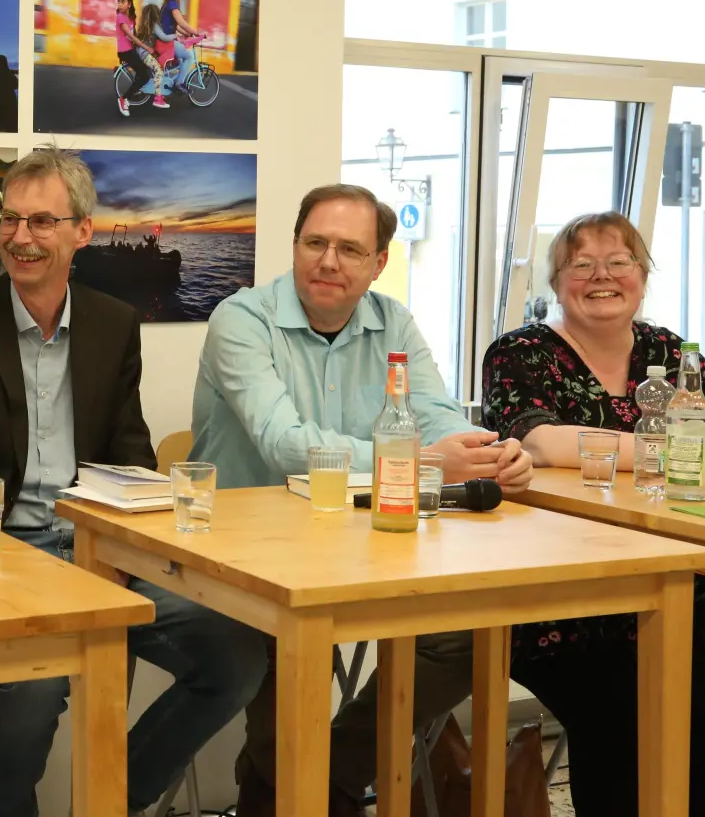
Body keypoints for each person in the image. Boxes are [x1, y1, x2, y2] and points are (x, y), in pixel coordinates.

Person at [0, 145, 265, 817]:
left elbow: (129, 451)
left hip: (101, 550)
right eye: (12, 221)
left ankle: (111, 796)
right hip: (8, 557)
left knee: (236, 653)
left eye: (42, 222)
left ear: (83, 231)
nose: (21, 238)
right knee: (30, 689)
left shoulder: (113, 323)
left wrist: (127, 543)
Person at [189, 183, 535, 817]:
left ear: (378, 263)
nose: (329, 261)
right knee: (285, 667)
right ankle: (294, 784)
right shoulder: (241, 318)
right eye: (315, 243)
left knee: (469, 635)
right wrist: (422, 459)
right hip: (247, 558)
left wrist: (490, 450)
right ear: (293, 247)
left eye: (350, 249)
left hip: (362, 546)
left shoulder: (393, 320)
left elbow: (432, 414)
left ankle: (330, 776)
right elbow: (284, 443)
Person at [481, 210, 705, 815]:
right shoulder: (521, 351)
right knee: (621, 736)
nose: (601, 276)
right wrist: (687, 449)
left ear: (642, 276)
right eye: (581, 265)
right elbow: (542, 442)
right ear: (556, 283)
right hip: (562, 605)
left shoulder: (669, 350)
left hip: (671, 597)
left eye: (619, 262)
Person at [114, 0, 165, 116]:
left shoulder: (131, 18)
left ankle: (135, 89)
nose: (120, 4)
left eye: (123, 2)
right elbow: (131, 36)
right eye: (119, 1)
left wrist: (141, 47)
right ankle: (123, 99)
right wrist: (147, 48)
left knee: (144, 70)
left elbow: (136, 35)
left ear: (129, 4)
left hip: (131, 50)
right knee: (145, 76)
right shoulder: (120, 18)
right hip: (125, 52)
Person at [159, 0, 201, 85]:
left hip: (164, 39)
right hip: (167, 41)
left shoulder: (167, 3)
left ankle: (168, 81)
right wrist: (196, 32)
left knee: (181, 60)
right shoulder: (172, 3)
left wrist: (188, 33)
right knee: (189, 56)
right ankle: (179, 83)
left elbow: (176, 26)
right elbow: (181, 22)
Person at [136, 5, 172, 110]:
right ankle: (157, 99)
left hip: (142, 52)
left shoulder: (147, 26)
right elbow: (164, 37)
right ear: (155, 15)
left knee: (157, 66)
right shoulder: (154, 26)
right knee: (159, 70)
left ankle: (158, 90)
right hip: (145, 54)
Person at [0, 54, 17, 127]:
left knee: (2, 113)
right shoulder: (9, 72)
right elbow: (16, 84)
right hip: (10, 96)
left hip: (0, 96)